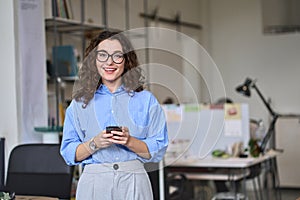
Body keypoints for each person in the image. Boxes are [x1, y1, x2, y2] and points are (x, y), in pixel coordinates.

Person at [60, 30, 169, 200]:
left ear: (126, 61)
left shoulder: (146, 100)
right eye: (102, 55)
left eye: (117, 56)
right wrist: (95, 143)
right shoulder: (79, 104)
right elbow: (68, 153)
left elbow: (158, 148)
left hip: (134, 181)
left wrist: (129, 141)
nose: (109, 62)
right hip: (94, 181)